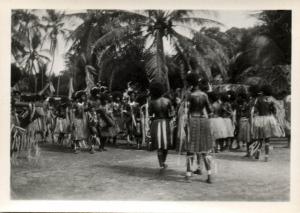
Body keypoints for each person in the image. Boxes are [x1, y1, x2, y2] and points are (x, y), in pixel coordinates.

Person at [185, 73, 213, 183]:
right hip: (204, 121)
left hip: (193, 121)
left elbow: (186, 111)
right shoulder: (204, 95)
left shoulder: (189, 95)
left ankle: (188, 175)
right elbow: (210, 110)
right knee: (205, 149)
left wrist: (185, 124)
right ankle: (209, 176)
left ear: (190, 83)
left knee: (190, 148)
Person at [251, 85, 285, 161]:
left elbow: (254, 109)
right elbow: (276, 110)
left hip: (259, 119)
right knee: (267, 139)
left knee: (259, 138)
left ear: (262, 91)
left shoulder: (258, 99)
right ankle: (266, 156)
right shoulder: (271, 100)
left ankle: (258, 153)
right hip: (268, 119)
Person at [149, 82, 174, 169]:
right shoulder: (168, 101)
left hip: (156, 123)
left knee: (159, 144)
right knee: (166, 144)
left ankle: (161, 163)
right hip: (166, 122)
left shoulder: (152, 102)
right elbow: (172, 114)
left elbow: (150, 114)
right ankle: (163, 161)